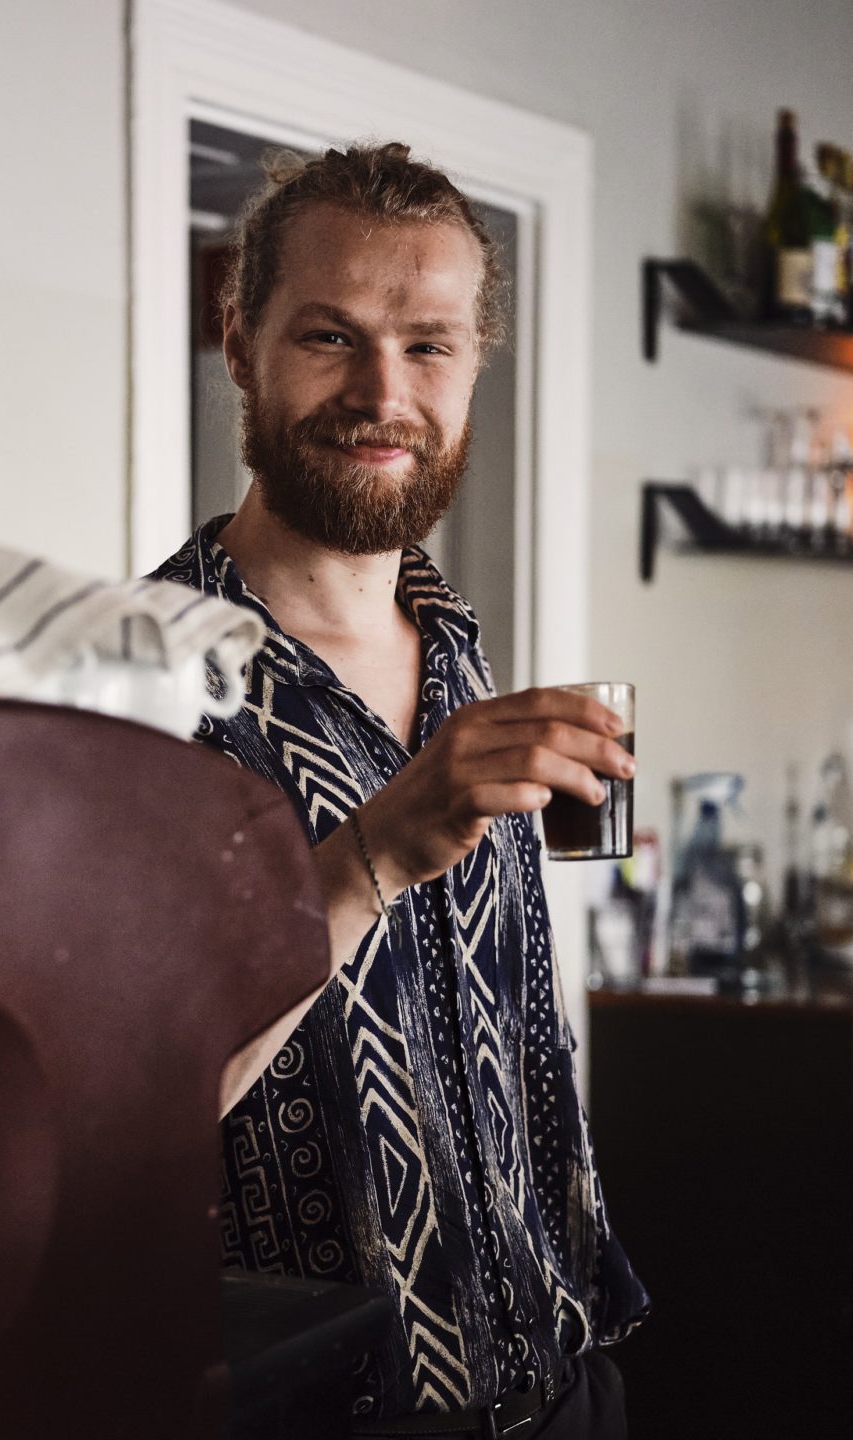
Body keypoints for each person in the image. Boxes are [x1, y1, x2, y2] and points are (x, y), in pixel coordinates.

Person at [151, 143, 648, 1438]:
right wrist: (370, 855)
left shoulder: (460, 648)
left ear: (475, 366)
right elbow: (120, 1104)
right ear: (237, 339)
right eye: (332, 335)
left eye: (429, 346)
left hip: (561, 1379)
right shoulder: (130, 681)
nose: (385, 392)